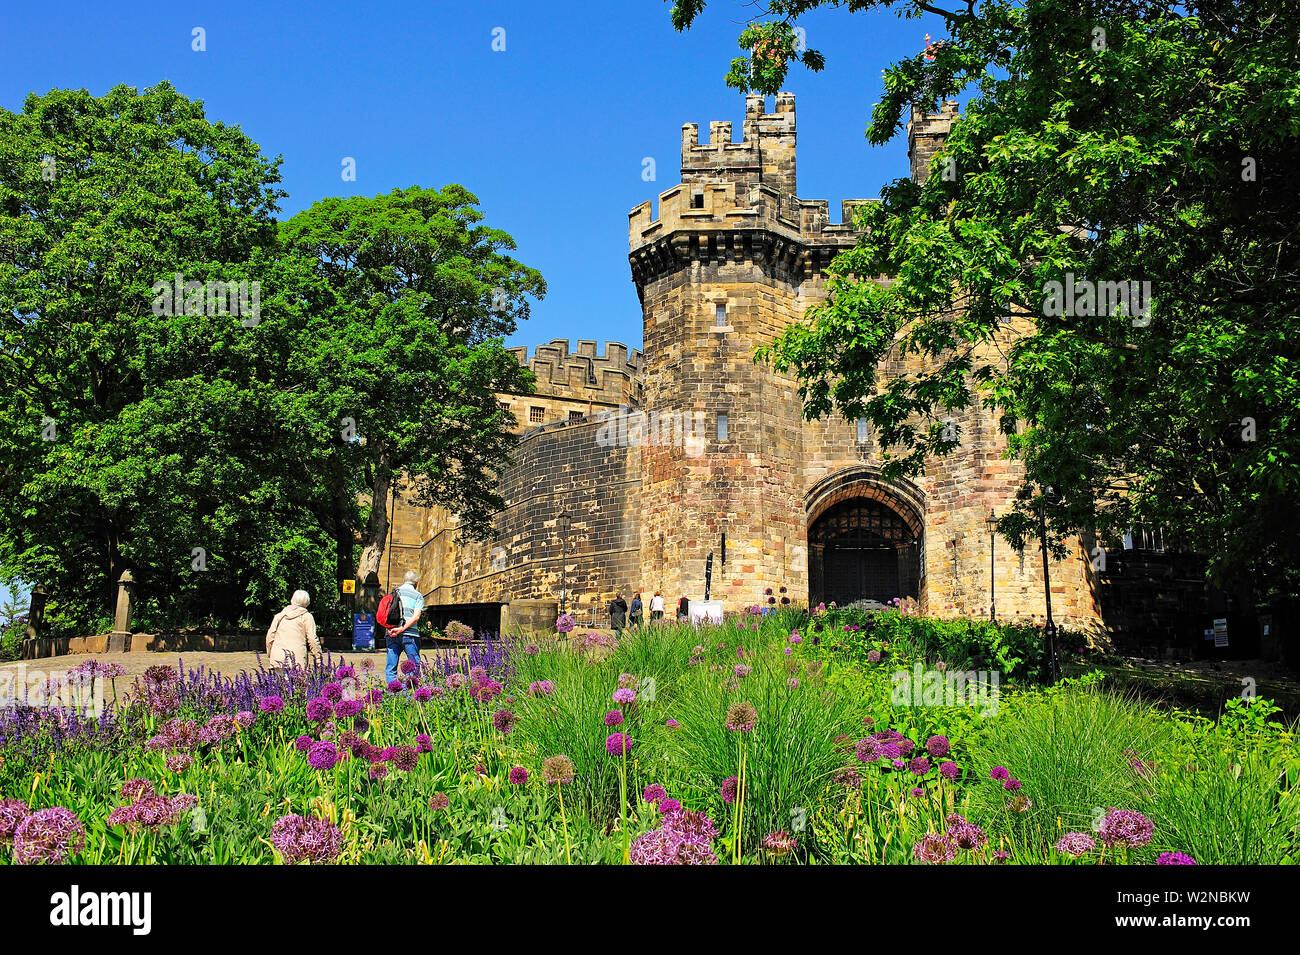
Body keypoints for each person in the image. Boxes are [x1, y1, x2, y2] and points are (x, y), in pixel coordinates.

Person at [385, 570, 425, 684]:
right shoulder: (418, 595)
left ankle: (392, 692)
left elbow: (384, 613)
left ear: (404, 581)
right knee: (414, 665)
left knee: (391, 666)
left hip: (392, 633)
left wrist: (389, 629)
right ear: (416, 583)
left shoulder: (393, 593)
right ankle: (410, 691)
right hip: (410, 635)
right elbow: (416, 617)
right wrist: (403, 628)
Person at [266, 590, 322, 669]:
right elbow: (312, 639)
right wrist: (318, 658)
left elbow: (270, 636)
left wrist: (270, 654)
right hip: (297, 660)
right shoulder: (307, 617)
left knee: (278, 681)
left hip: (278, 658)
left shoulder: (279, 616)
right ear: (307, 602)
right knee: (295, 681)